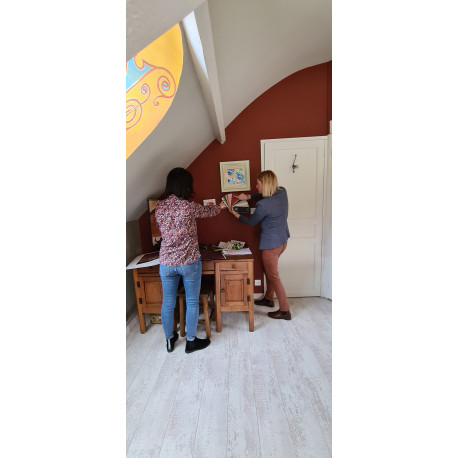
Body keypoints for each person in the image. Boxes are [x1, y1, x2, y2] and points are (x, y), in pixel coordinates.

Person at [155, 168, 227, 353]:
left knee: (167, 303)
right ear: (186, 186)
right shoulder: (188, 207)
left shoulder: (159, 207)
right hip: (189, 262)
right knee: (192, 302)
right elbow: (210, 211)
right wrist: (221, 205)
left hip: (166, 263)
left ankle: (169, 340)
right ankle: (191, 342)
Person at [230, 170, 292, 320]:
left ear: (265, 184)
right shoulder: (282, 192)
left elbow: (251, 221)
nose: (256, 186)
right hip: (282, 241)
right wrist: (248, 197)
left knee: (273, 276)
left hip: (271, 246)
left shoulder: (263, 205)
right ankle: (269, 299)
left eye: (258, 183)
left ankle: (285, 311)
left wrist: (236, 215)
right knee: (269, 272)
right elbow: (266, 193)